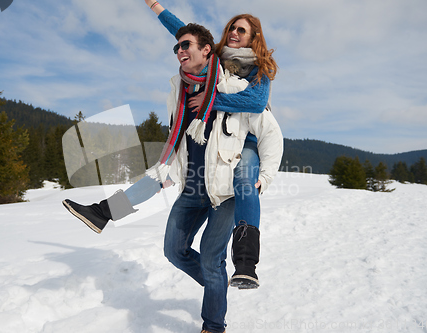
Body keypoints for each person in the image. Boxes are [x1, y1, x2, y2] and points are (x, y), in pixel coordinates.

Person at [64, 20, 282, 333]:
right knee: (174, 251)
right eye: (176, 46)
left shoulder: (232, 87)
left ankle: (214, 324)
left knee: (211, 259)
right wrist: (170, 167)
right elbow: (177, 134)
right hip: (191, 187)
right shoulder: (178, 89)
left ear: (207, 51)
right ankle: (105, 214)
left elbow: (270, 131)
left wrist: (267, 174)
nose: (179, 50)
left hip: (223, 192)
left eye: (186, 45)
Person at [144, 0, 279, 289]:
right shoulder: (217, 56)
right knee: (178, 247)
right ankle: (217, 284)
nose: (233, 32)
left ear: (254, 37)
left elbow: (256, 103)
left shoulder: (259, 67)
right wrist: (155, 6)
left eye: (240, 29)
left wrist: (209, 100)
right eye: (231, 26)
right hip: (222, 139)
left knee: (244, 180)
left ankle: (245, 263)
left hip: (249, 138)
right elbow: (183, 33)